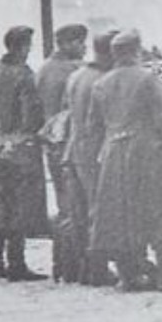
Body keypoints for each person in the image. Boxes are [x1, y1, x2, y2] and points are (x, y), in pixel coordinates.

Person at [87, 28, 162, 291]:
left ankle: (128, 276)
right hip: (147, 153)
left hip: (112, 154)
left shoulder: (101, 83)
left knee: (119, 215)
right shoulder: (146, 79)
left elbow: (92, 126)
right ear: (136, 50)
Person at [0, 26, 48, 281]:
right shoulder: (24, 75)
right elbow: (32, 114)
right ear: (21, 47)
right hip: (17, 148)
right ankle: (16, 264)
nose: (29, 50)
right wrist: (28, 132)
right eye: (28, 45)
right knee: (17, 207)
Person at [59, 30, 114, 284]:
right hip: (94, 154)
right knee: (97, 211)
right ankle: (97, 269)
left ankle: (76, 267)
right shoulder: (103, 80)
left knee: (77, 212)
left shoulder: (76, 75)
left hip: (73, 150)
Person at [36, 23, 89, 277]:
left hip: (52, 143)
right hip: (69, 142)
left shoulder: (44, 69)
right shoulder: (71, 70)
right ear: (67, 43)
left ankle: (61, 264)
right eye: (80, 42)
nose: (83, 47)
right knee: (76, 204)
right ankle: (76, 264)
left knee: (63, 203)